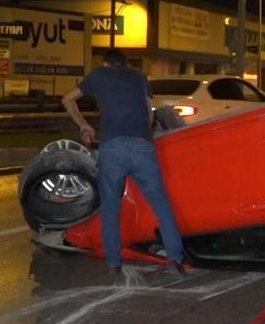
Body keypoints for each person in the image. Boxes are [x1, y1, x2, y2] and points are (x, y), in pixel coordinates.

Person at [61, 49, 185, 276]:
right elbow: (149, 116)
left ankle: (114, 262)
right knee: (161, 204)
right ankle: (175, 257)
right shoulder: (140, 77)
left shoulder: (99, 75)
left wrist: (84, 125)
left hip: (112, 148)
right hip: (142, 146)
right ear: (125, 63)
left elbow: (67, 99)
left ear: (106, 63)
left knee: (110, 207)